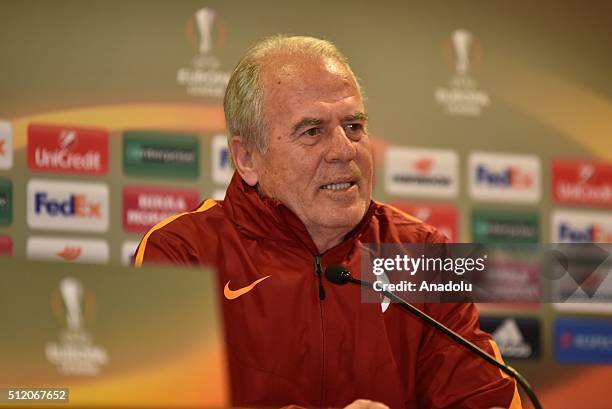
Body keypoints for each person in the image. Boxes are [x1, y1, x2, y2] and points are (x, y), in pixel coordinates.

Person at [134, 35, 522, 409]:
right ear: (247, 157)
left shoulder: (422, 253)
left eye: (353, 126)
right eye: (312, 131)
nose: (343, 150)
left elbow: (486, 401)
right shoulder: (183, 251)